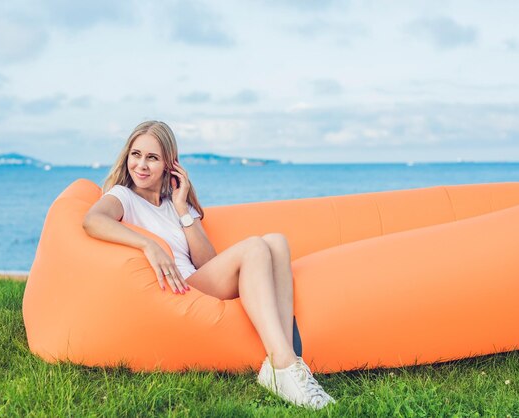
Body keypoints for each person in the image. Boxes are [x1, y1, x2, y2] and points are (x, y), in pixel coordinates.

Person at [82, 120, 335, 410]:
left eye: (152, 157)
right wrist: (148, 244)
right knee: (254, 246)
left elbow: (206, 261)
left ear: (169, 164)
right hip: (175, 289)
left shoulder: (174, 203)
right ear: (127, 156)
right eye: (136, 154)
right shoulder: (123, 197)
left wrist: (180, 207)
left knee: (277, 241)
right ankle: (284, 363)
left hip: (195, 280)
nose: (141, 165)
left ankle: (290, 363)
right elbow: (92, 220)